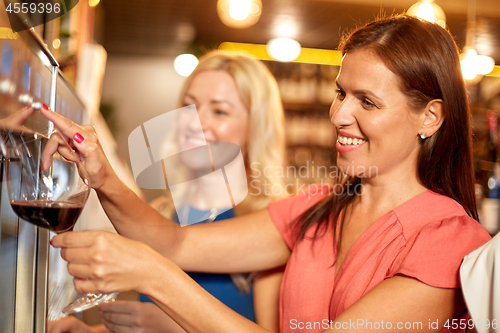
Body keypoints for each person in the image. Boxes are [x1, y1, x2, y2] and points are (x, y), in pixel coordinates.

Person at [43, 14, 491, 332]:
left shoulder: (447, 238)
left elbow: (164, 262)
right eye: (340, 93)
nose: (339, 115)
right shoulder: (319, 207)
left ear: (429, 118)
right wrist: (99, 172)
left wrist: (156, 278)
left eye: (367, 102)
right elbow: (175, 243)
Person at [47, 51, 287, 332]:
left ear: (256, 127)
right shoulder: (162, 213)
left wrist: (171, 327)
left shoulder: (270, 227)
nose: (196, 122)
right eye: (189, 106)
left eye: (219, 111)